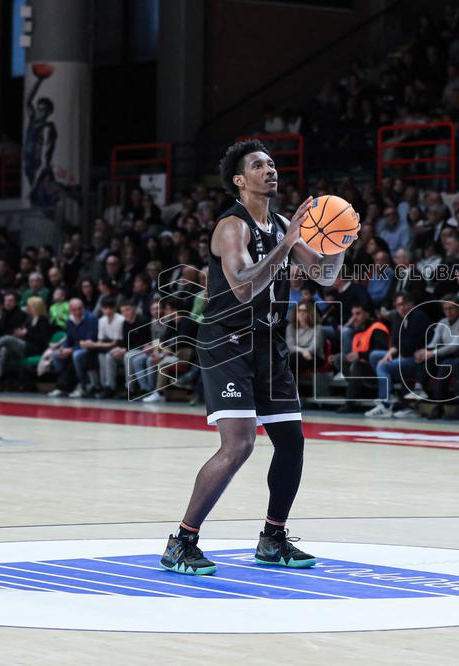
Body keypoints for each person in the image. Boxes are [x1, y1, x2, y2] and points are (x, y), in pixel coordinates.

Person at [161, 140, 344, 576]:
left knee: (292, 442)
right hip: (227, 341)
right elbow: (242, 286)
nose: (270, 170)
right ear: (240, 180)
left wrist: (340, 239)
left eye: (273, 164)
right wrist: (287, 244)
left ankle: (272, 538)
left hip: (269, 344)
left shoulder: (282, 223)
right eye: (259, 165)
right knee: (239, 444)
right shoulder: (232, 226)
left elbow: (326, 276)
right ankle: (182, 541)